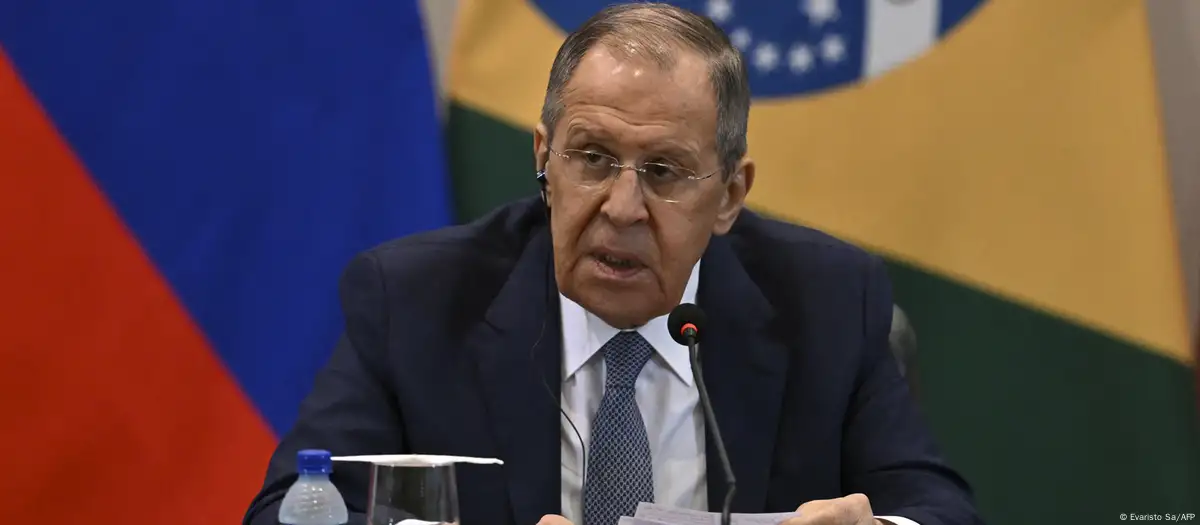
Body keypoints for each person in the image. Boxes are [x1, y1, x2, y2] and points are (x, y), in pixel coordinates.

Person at [243, 4, 980, 525]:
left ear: (730, 195)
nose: (622, 208)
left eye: (664, 171)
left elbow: (937, 508)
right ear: (545, 159)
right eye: (592, 158)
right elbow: (292, 510)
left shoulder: (824, 300)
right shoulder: (418, 299)